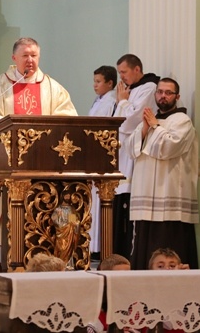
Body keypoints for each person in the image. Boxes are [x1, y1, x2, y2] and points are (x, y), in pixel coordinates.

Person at [0, 37, 78, 269]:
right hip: (9, 169)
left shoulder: (54, 89)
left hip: (45, 169)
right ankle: (0, 260)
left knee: (57, 210)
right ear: (14, 58)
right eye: (25, 56)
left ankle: (52, 262)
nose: (30, 60)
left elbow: (67, 122)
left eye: (34, 55)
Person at [127, 78, 199, 270]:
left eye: (168, 92)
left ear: (177, 96)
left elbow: (169, 147)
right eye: (160, 92)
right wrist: (144, 128)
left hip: (169, 198)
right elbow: (131, 149)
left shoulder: (182, 121)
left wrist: (154, 126)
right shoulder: (150, 119)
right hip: (145, 198)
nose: (163, 96)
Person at [111, 54, 159, 259]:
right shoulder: (131, 89)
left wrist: (122, 102)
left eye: (124, 72)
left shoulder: (149, 88)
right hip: (122, 154)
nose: (121, 77)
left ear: (137, 69)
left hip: (133, 156)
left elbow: (130, 120)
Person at [88, 65, 117, 259]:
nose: (95, 85)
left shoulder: (111, 101)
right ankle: (92, 246)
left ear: (110, 83)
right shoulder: (100, 100)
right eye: (94, 81)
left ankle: (98, 248)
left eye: (99, 82)